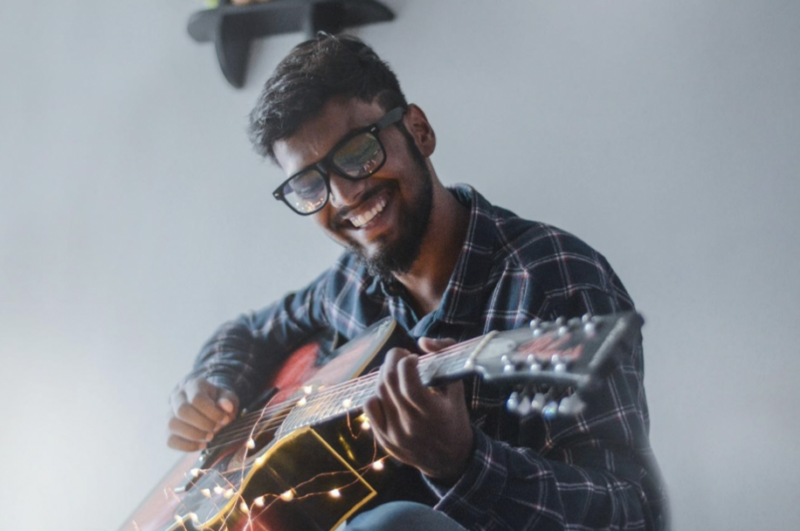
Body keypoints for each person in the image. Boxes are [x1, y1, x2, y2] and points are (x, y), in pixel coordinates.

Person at [167, 34, 667, 531]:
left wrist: (465, 464)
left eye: (358, 152)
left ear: (419, 131)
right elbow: (250, 331)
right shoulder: (351, 286)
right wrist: (214, 383)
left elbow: (630, 513)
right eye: (309, 184)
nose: (342, 196)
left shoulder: (555, 278)